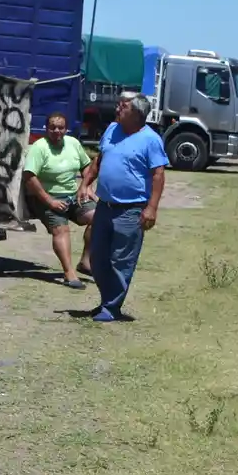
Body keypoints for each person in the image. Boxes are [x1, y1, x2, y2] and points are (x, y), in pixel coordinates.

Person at [77, 93, 168, 322]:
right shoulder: (112, 129)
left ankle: (111, 306)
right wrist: (85, 183)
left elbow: (158, 175)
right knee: (96, 258)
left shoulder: (150, 139)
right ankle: (106, 301)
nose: (118, 108)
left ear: (137, 113)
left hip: (131, 210)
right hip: (105, 206)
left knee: (121, 261)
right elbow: (99, 159)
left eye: (123, 105)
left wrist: (152, 208)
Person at [23, 111, 96, 290]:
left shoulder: (73, 143)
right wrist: (50, 201)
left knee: (99, 217)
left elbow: (86, 165)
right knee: (61, 229)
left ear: (66, 129)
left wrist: (86, 187)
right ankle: (69, 272)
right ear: (46, 129)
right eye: (52, 127)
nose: (57, 131)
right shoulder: (39, 147)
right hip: (45, 197)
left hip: (72, 195)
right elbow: (29, 176)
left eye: (60, 127)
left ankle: (86, 262)